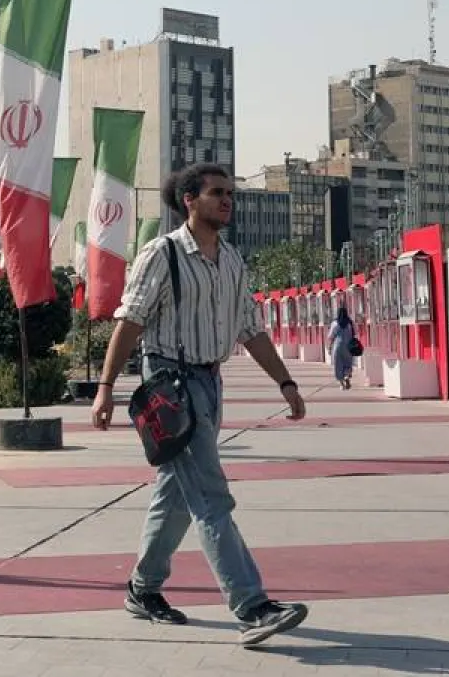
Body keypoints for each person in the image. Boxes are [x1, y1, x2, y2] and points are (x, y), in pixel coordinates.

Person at [91, 163, 310, 647]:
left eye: (231, 193)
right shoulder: (162, 254)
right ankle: (251, 606)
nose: (227, 200)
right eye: (217, 193)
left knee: (176, 496)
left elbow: (249, 329)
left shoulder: (231, 260)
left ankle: (142, 589)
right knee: (210, 496)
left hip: (210, 384)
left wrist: (286, 382)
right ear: (188, 199)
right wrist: (106, 387)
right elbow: (129, 321)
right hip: (169, 385)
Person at [328, 305, 356, 390]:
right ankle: (347, 376)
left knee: (338, 365)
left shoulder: (335, 323)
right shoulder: (350, 323)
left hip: (338, 346)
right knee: (348, 362)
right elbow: (354, 334)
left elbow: (331, 336)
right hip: (348, 346)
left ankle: (341, 384)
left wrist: (329, 347)